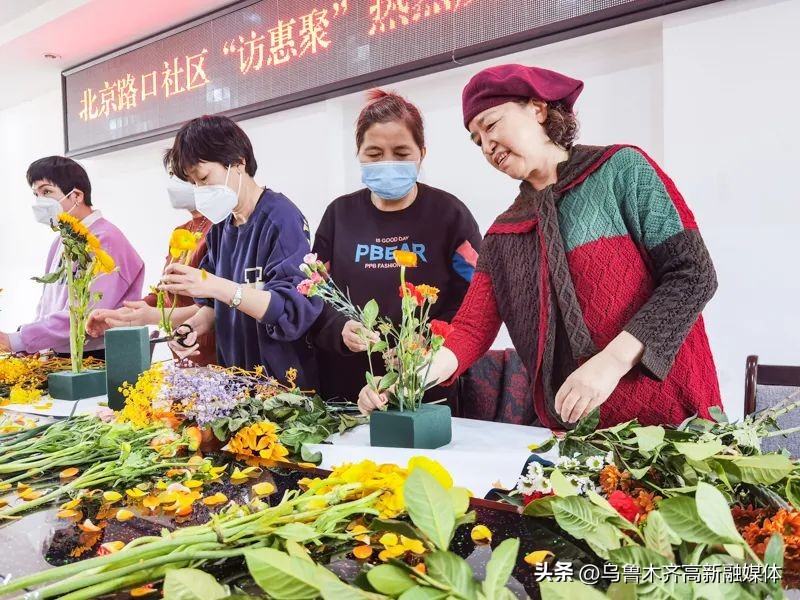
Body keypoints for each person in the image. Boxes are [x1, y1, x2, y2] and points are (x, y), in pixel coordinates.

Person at [358, 64, 722, 429]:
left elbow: (693, 276)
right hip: (579, 438)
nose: (487, 145)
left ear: (538, 108)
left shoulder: (621, 170)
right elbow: (470, 329)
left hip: (676, 425)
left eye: (492, 124)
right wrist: (408, 380)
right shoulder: (503, 234)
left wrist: (612, 361)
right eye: (476, 139)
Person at [311, 89, 481, 403]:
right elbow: (315, 293)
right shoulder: (339, 216)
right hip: (345, 389)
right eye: (374, 154)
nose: (387, 163)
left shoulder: (448, 215)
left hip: (426, 390)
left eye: (401, 153)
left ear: (422, 153)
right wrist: (340, 329)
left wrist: (430, 341)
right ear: (359, 154)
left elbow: (475, 299)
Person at [160, 115, 322, 389]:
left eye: (203, 178)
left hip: (283, 389)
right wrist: (193, 327)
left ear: (238, 162)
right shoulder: (221, 229)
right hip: (236, 385)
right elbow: (213, 305)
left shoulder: (280, 218)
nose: (201, 191)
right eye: (194, 184)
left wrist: (214, 285)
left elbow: (290, 310)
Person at [0, 156, 144, 357]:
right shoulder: (61, 240)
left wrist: (19, 339)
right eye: (36, 194)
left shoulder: (105, 240)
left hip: (99, 356)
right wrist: (33, 346)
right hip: (63, 353)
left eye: (47, 192)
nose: (39, 201)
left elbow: (86, 312)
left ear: (76, 195)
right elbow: (47, 303)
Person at [85, 157, 216, 366]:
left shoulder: (220, 229)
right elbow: (165, 292)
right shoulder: (182, 230)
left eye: (184, 173)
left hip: (213, 350)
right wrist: (125, 314)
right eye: (172, 175)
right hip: (182, 349)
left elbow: (218, 304)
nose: (176, 182)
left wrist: (152, 316)